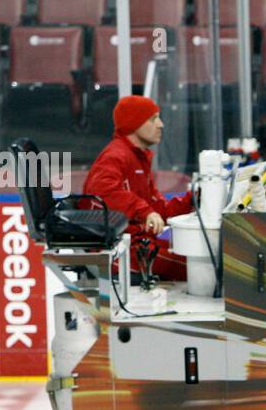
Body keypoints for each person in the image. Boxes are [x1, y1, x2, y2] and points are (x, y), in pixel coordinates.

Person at [80, 95, 193, 280]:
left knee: (197, 257)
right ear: (134, 124)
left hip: (137, 244)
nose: (161, 124)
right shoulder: (116, 156)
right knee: (199, 267)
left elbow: (158, 208)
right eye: (153, 119)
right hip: (121, 251)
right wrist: (145, 212)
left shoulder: (138, 158)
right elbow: (103, 191)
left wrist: (192, 200)